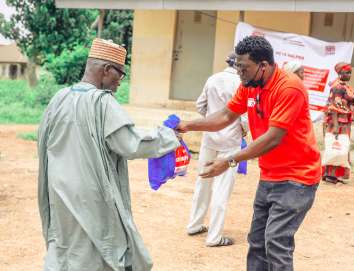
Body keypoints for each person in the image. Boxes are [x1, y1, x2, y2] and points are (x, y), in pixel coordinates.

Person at [176, 36, 321, 271]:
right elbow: (224, 116)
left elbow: (273, 137)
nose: (240, 74)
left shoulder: (289, 88)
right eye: (238, 67)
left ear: (263, 66)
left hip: (297, 178)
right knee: (257, 242)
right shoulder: (249, 87)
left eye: (244, 68)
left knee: (276, 242)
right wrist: (188, 125)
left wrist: (230, 160)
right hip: (270, 175)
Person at [38, 38, 180, 271]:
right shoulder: (102, 102)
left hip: (59, 191)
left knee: (66, 248)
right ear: (106, 70)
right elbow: (130, 144)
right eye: (120, 74)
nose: (119, 82)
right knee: (96, 251)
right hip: (91, 196)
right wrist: (169, 136)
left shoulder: (58, 99)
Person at [186, 53, 246, 247]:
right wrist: (241, 131)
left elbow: (200, 106)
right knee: (222, 189)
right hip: (230, 141)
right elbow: (245, 115)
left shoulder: (212, 79)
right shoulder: (242, 84)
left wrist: (210, 121)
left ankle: (194, 225)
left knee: (202, 182)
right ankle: (214, 237)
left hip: (209, 138)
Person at [322, 62, 354, 184]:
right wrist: (336, 125)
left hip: (345, 121)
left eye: (350, 72)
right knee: (336, 145)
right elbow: (333, 107)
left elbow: (345, 104)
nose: (349, 75)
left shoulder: (344, 86)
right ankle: (331, 175)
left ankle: (336, 174)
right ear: (340, 73)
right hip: (338, 122)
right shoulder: (338, 87)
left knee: (341, 146)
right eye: (347, 72)